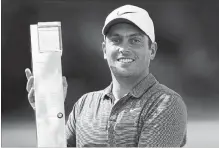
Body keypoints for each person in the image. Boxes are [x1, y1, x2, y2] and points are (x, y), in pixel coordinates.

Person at [25, 4, 187, 147]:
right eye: (116, 40)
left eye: (135, 41)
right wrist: (49, 114)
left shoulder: (166, 103)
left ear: (152, 50)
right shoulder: (84, 104)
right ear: (104, 50)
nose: (124, 48)